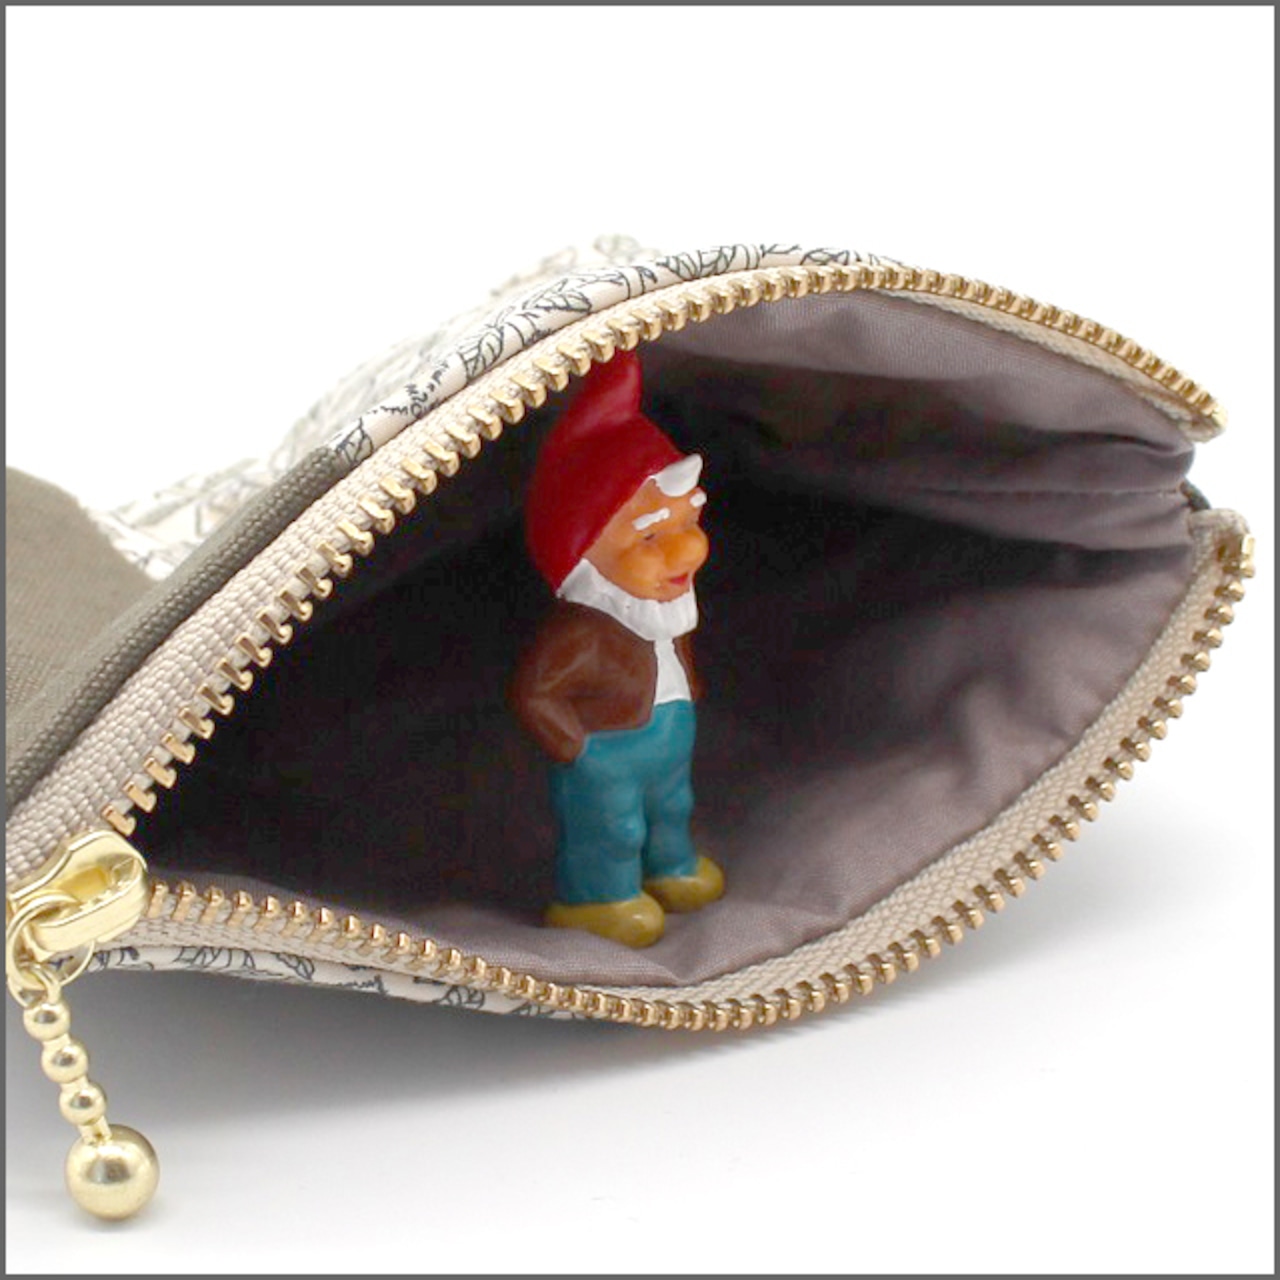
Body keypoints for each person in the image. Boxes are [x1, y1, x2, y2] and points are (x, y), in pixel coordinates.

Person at [510, 351, 724, 947]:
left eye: (689, 523)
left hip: (670, 734)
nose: (687, 552)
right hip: (607, 752)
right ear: (583, 554)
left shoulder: (665, 611)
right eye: (651, 535)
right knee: (613, 828)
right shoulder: (582, 633)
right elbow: (535, 694)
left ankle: (672, 867)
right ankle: (598, 898)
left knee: (673, 806)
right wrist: (577, 748)